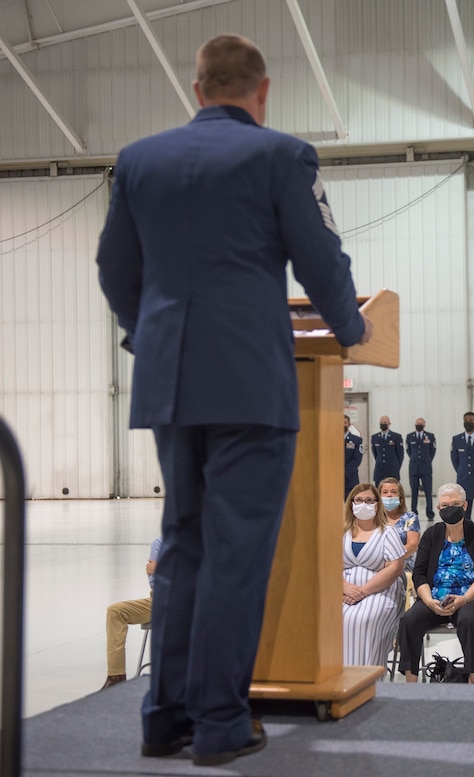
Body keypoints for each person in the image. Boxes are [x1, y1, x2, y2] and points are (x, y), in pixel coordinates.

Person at [96, 33, 372, 766]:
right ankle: (220, 720)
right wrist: (351, 328)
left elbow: (115, 269)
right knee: (235, 553)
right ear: (263, 90)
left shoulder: (138, 161)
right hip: (249, 382)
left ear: (197, 89)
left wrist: (150, 335)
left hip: (169, 381)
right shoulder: (281, 156)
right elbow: (322, 259)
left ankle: (165, 716)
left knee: (183, 543)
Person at [398, 483, 474, 682]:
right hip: (434, 598)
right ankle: (411, 680)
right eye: (445, 505)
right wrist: (428, 601)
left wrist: (464, 599)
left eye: (455, 504)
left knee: (470, 621)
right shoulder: (432, 535)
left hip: (469, 598)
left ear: (465, 506)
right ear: (439, 508)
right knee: (409, 621)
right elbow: (420, 574)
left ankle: (473, 678)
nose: (450, 509)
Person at [342, 484, 406, 667]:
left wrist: (362, 591)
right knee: (333, 619)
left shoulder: (387, 532)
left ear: (377, 505)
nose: (364, 504)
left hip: (380, 591)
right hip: (343, 591)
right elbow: (328, 565)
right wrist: (345, 587)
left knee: (362, 620)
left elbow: (395, 568)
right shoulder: (341, 532)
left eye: (369, 500)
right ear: (351, 504)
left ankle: (368, 677)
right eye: (359, 500)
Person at [102, 537, 162, 690]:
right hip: (160, 599)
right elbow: (154, 581)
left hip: (193, 601)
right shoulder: (159, 543)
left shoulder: (204, 539)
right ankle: (116, 679)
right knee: (115, 611)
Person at [378, 477, 421, 580]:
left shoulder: (410, 517)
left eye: (393, 492)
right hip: (377, 565)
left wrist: (391, 563)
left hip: (403, 566)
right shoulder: (373, 519)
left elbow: (412, 545)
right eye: (385, 492)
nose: (389, 495)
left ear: (400, 497)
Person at [406, 418, 437, 519]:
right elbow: (408, 451)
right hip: (414, 468)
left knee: (428, 492)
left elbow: (432, 451)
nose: (419, 425)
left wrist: (427, 460)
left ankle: (430, 513)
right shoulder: (410, 436)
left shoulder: (430, 436)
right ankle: (414, 512)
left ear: (424, 424)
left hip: (426, 468)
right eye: (417, 423)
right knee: (414, 492)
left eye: (420, 423)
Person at [371, 415, 404, 483]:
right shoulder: (374, 437)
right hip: (379, 470)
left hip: (392, 470)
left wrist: (396, 466)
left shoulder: (396, 437)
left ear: (389, 424)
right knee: (378, 491)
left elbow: (400, 454)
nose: (383, 424)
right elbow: (375, 453)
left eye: (385, 422)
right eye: (381, 422)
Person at [344, 415, 363, 499]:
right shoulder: (332, 439)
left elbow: (357, 459)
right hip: (334, 479)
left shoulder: (356, 440)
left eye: (345, 422)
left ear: (349, 424)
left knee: (351, 506)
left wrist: (344, 472)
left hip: (350, 478)